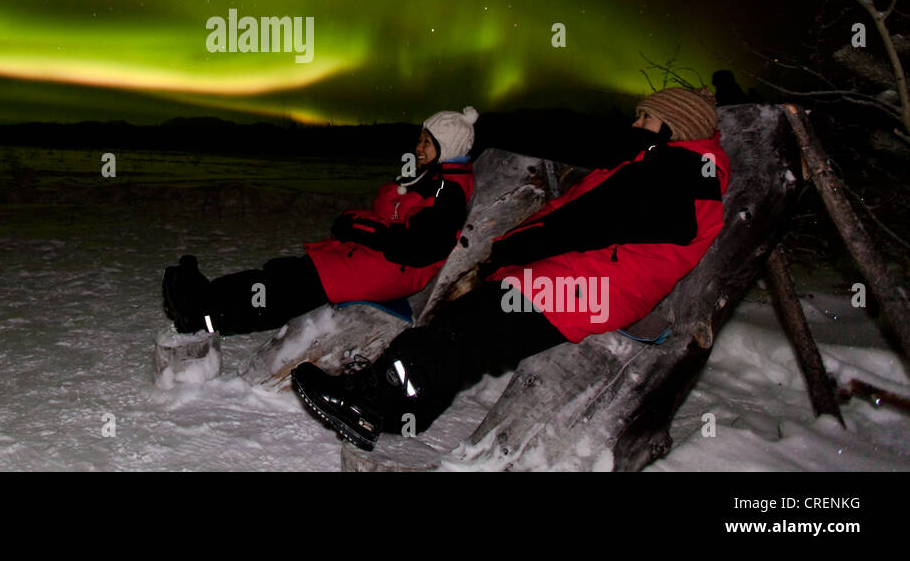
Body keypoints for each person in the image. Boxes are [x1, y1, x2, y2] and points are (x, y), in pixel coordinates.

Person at [291, 86, 729, 451]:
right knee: (468, 327)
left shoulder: (678, 169)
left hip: (596, 286)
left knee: (471, 328)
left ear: (677, 126)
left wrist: (511, 249)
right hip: (594, 279)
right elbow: (598, 219)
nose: (635, 126)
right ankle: (405, 408)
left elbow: (585, 222)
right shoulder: (674, 167)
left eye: (646, 119)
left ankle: (367, 400)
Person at [161, 107, 480, 336]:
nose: (418, 148)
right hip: (377, 260)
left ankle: (200, 314)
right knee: (283, 272)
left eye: (426, 142)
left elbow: (414, 246)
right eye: (420, 140)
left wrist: (361, 227)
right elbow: (394, 217)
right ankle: (203, 298)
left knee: (285, 288)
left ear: (446, 147)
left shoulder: (446, 191)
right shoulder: (432, 179)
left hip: (391, 270)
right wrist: (362, 223)